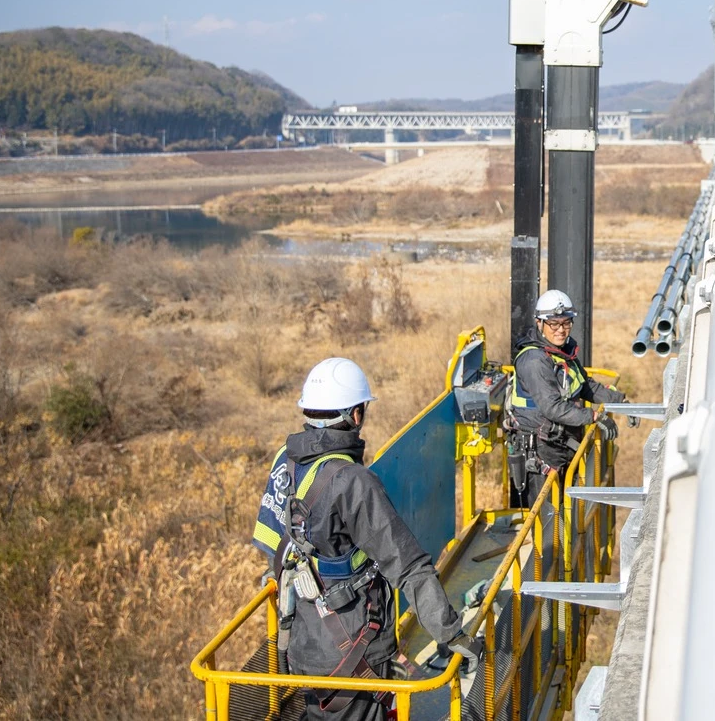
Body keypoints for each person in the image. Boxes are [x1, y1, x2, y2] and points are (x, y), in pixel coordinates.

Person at [252, 357, 480, 720]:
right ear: (355, 415)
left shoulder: (286, 460)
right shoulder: (352, 481)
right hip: (353, 651)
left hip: (302, 640)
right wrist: (452, 635)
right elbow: (409, 566)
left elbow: (270, 541)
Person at [507, 289, 624, 508]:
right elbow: (552, 407)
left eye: (566, 323)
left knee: (570, 511)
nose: (561, 330)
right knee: (549, 517)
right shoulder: (534, 360)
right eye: (554, 324)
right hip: (541, 448)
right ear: (540, 323)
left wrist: (621, 401)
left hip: (562, 442)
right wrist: (594, 416)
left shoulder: (561, 352)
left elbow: (585, 385)